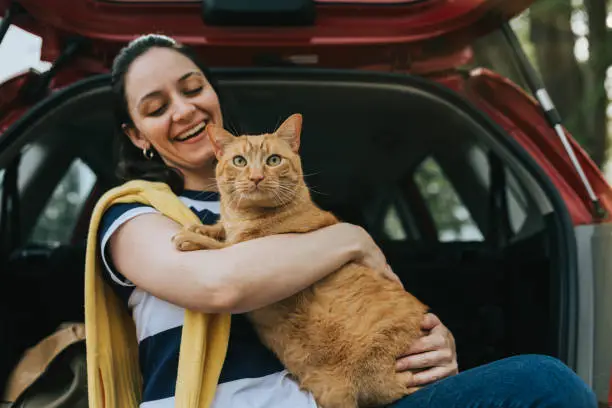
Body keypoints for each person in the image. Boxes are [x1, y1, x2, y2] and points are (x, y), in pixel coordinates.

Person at [97, 33, 597, 408]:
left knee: (545, 384)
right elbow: (219, 283)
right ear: (136, 134)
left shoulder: (314, 220)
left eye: (193, 88)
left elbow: (367, 299)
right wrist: (352, 238)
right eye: (157, 107)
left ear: (214, 95)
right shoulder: (135, 214)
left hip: (332, 398)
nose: (184, 110)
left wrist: (429, 343)